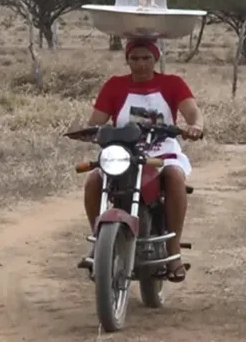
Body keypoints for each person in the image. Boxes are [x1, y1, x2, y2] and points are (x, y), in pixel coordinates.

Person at [78, 38, 204, 283]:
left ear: (155, 58)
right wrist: (89, 130)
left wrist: (195, 125)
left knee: (175, 176)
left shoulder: (172, 83)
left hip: (162, 148)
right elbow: (97, 119)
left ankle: (173, 250)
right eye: (134, 58)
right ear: (127, 59)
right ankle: (98, 243)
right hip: (124, 150)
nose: (140, 64)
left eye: (146, 58)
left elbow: (192, 111)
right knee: (94, 179)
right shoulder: (115, 85)